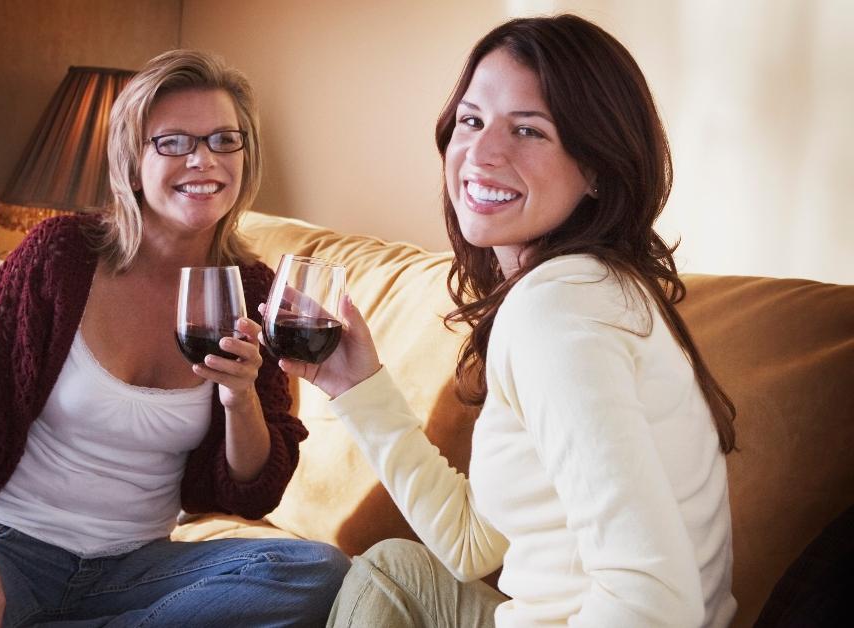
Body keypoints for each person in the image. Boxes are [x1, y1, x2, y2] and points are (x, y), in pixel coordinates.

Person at [275, 15, 738, 628]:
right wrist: (356, 386)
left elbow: (655, 598)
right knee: (391, 569)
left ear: (596, 166)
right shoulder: (591, 288)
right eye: (471, 120)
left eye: (527, 129)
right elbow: (472, 545)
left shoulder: (559, 314)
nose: (481, 153)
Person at [0, 50, 350, 628]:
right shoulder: (61, 255)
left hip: (138, 567)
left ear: (246, 154)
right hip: (9, 542)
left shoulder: (255, 290)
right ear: (131, 160)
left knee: (316, 572)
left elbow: (250, 494)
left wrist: (240, 399)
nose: (203, 159)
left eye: (222, 140)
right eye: (173, 142)